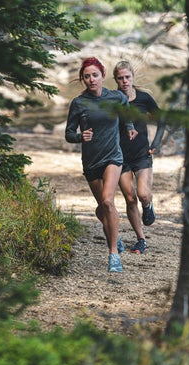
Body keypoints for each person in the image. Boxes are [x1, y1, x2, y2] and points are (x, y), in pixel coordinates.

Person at [65, 57, 138, 273]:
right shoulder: (79, 103)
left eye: (94, 75)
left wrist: (130, 127)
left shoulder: (116, 97)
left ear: (103, 76)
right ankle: (114, 231)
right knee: (103, 210)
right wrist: (80, 136)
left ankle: (113, 253)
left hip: (113, 157)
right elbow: (69, 134)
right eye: (86, 76)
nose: (91, 79)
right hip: (91, 162)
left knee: (108, 201)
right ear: (83, 79)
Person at [112, 60, 166, 254]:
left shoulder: (144, 98)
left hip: (142, 154)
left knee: (142, 194)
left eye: (127, 77)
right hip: (120, 157)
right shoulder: (113, 100)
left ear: (132, 77)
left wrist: (157, 143)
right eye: (120, 78)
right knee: (130, 198)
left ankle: (148, 204)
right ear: (115, 80)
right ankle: (141, 239)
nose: (124, 81)